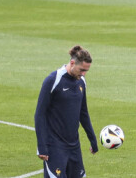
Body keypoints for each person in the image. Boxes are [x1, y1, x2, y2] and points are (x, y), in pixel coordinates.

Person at [34, 45, 98, 178]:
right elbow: (39, 114)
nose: (84, 74)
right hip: (54, 147)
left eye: (86, 71)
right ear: (72, 63)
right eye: (82, 70)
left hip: (74, 147)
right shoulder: (53, 80)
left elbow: (83, 113)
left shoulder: (81, 82)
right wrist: (42, 147)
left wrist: (92, 139)